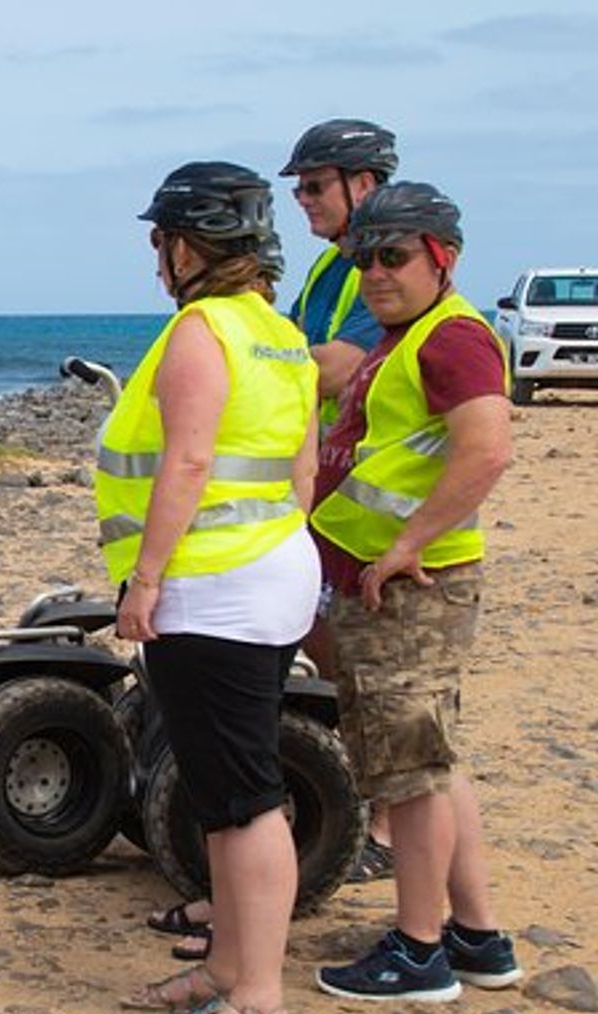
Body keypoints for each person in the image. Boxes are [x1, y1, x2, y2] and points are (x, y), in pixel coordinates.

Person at [103, 162, 319, 1014]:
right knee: (224, 787)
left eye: (161, 241)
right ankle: (228, 967)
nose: (158, 259)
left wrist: (146, 580)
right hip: (270, 571)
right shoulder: (281, 334)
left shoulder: (201, 332)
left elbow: (187, 465)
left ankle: (259, 998)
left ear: (187, 246)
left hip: (214, 589)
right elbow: (300, 475)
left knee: (244, 796)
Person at [310, 182, 522, 1001]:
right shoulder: (404, 341)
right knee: (429, 761)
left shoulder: (453, 338)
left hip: (411, 589)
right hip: (385, 583)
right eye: (363, 260)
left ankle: (419, 949)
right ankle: (476, 935)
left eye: (393, 256)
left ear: (443, 258)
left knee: (406, 773)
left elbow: (488, 449)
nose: (375, 275)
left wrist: (406, 544)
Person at [280, 117, 404, 885]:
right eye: (297, 187)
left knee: (373, 660)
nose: (302, 199)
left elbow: (339, 366)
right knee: (322, 640)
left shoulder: (384, 268)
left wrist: (259, 358)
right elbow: (298, 350)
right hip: (328, 488)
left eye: (315, 185)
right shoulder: (330, 269)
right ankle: (357, 797)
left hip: (378, 496)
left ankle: (387, 824)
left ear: (366, 183)